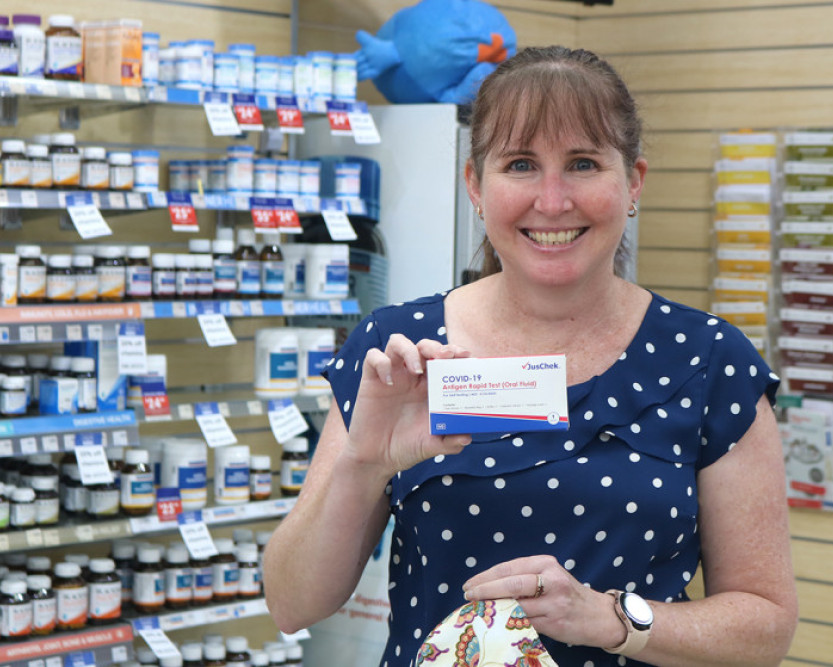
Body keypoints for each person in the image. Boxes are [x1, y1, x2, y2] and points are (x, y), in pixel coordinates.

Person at [264, 45, 798, 666]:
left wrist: (611, 618)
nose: (551, 200)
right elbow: (291, 603)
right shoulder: (401, 351)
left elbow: (765, 627)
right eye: (520, 164)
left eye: (582, 164)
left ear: (633, 184)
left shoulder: (707, 361)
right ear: (475, 186)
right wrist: (362, 466)